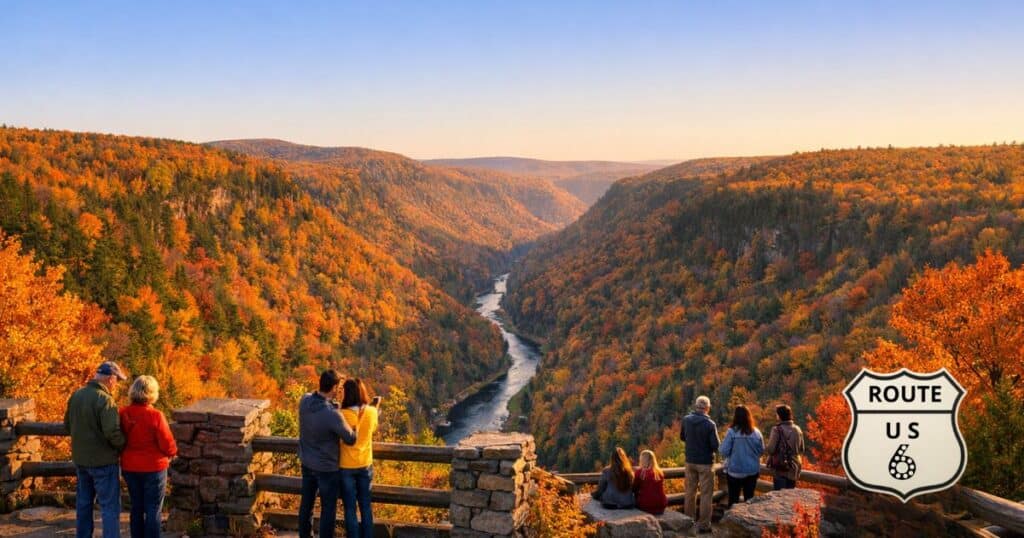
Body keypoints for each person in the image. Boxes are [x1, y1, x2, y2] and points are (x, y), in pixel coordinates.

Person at [65, 361, 128, 538]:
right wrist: (123, 445)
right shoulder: (105, 400)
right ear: (110, 378)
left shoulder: (76, 395)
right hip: (103, 462)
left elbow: (67, 426)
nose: (116, 385)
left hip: (81, 460)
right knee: (109, 507)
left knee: (83, 503)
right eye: (117, 380)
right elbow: (112, 432)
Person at [297, 370, 357, 538]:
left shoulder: (304, 401)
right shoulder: (332, 415)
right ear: (334, 388)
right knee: (327, 509)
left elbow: (316, 401)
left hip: (307, 463)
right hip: (326, 469)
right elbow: (350, 439)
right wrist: (356, 425)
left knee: (306, 505)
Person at [119, 375, 177, 538]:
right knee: (153, 509)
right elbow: (167, 443)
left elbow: (118, 437)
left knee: (136, 506)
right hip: (154, 467)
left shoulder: (123, 413)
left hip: (130, 466)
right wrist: (172, 454)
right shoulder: (156, 415)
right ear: (152, 393)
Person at [340, 378, 379, 538]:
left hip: (346, 466)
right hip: (365, 463)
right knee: (365, 506)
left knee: (349, 507)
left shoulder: (342, 415)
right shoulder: (371, 412)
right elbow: (373, 429)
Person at [680, 395, 719, 534]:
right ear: (707, 408)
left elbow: (682, 437)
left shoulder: (686, 420)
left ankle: (688, 521)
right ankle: (704, 525)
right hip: (705, 463)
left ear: (696, 406)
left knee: (690, 492)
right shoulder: (710, 424)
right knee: (706, 494)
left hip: (690, 461)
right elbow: (715, 445)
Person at [719, 405, 764, 506]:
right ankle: (749, 519)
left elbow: (723, 451)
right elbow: (761, 451)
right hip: (752, 471)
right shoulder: (756, 432)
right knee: (749, 499)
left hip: (735, 470)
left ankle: (731, 520)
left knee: (733, 499)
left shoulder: (732, 432)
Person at [766, 404, 805, 490]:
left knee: (779, 496)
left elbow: (771, 450)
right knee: (790, 495)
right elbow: (802, 449)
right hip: (794, 467)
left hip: (781, 467)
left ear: (779, 416)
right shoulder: (797, 429)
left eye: (777, 414)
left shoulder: (776, 430)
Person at [633, 450, 667, 515]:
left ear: (642, 460)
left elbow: (634, 489)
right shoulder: (659, 472)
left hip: (646, 507)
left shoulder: (640, 472)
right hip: (661, 506)